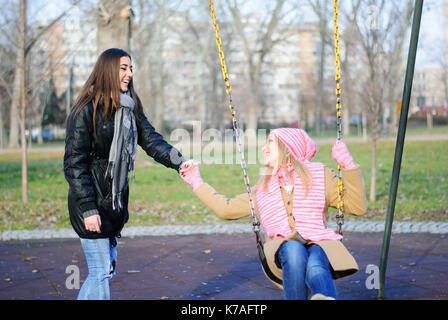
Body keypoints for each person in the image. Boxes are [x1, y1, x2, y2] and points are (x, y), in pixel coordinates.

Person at [180, 128, 367, 300]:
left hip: (320, 242)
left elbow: (356, 207)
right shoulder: (262, 188)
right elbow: (226, 209)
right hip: (283, 249)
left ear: (288, 148)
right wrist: (197, 181)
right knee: (294, 249)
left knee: (316, 265)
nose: (264, 147)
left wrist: (348, 165)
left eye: (270, 142)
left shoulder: (320, 176)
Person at [64, 48, 187, 300]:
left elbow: (151, 139)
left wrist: (180, 162)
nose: (129, 74)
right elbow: (75, 164)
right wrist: (88, 208)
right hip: (91, 202)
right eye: (123, 68)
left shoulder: (130, 107)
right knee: (100, 271)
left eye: (130, 68)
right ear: (108, 70)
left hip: (114, 201)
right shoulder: (86, 110)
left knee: (104, 271)